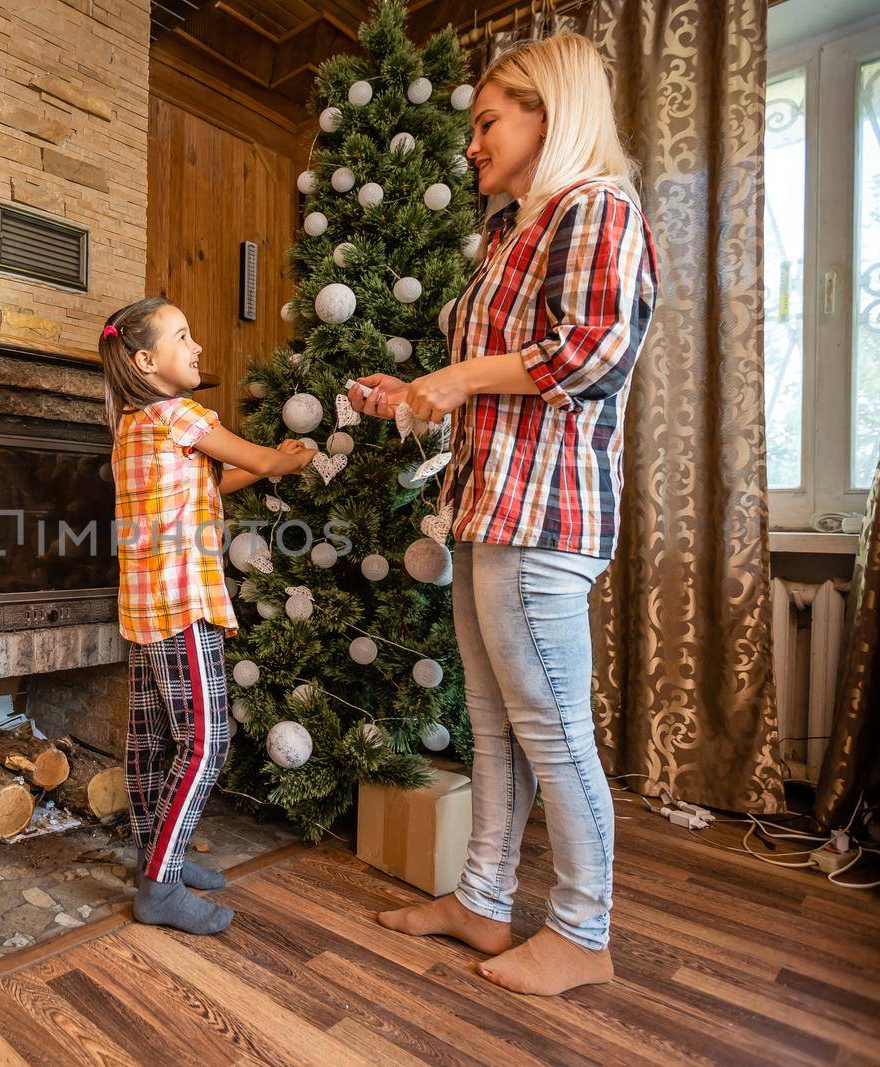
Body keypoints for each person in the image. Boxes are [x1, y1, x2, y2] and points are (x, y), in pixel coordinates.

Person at [349, 33, 659, 995]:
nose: (472, 145)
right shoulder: (509, 232)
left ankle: (583, 929)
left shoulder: (596, 207)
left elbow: (594, 350)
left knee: (553, 728)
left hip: (544, 513)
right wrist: (414, 392)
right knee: (493, 723)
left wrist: (456, 376)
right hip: (489, 504)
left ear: (548, 113)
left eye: (487, 122)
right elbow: (497, 377)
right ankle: (483, 900)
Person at [100, 297, 315, 935]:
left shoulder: (136, 424)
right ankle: (160, 887)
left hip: (143, 605)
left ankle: (154, 856)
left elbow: (207, 486)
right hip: (182, 602)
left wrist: (264, 460)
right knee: (206, 742)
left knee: (149, 739)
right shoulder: (180, 415)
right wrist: (287, 458)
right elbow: (268, 464)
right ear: (146, 360)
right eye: (184, 336)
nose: (197, 348)